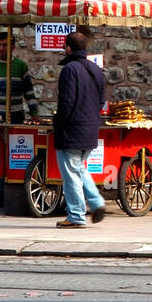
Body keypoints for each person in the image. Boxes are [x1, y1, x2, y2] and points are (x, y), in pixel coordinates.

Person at [0, 32, 40, 208]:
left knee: (17, 155)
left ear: (12, 47)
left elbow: (29, 93)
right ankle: (2, 194)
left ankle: (18, 192)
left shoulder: (20, 67)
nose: (1, 49)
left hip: (16, 116)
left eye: (5, 45)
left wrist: (34, 112)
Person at [52, 30, 107, 228]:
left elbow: (66, 102)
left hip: (72, 130)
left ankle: (76, 215)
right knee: (79, 168)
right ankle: (96, 202)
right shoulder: (96, 70)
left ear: (68, 48)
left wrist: (58, 123)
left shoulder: (70, 69)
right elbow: (101, 100)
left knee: (71, 174)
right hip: (91, 128)